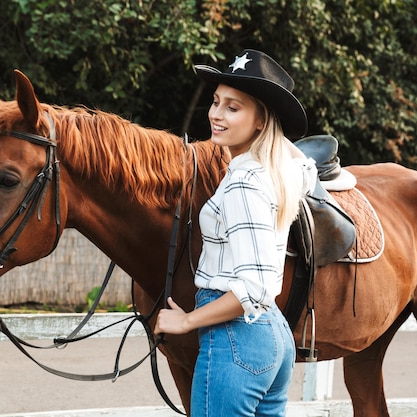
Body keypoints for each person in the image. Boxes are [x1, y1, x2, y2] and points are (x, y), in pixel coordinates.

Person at [154, 49, 318, 417]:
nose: (215, 114)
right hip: (273, 337)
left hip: (237, 336)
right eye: (216, 102)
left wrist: (188, 320)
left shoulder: (245, 183)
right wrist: (273, 123)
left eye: (233, 107)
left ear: (260, 121)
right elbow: (309, 168)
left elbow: (256, 286)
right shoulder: (276, 173)